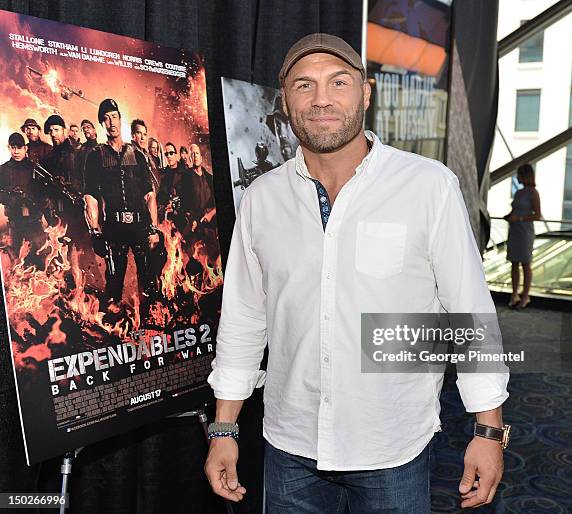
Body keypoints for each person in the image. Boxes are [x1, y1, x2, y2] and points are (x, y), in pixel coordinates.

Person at [204, 33, 510, 512]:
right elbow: (243, 318)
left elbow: (467, 311)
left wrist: (489, 430)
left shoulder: (428, 186)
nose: (321, 98)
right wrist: (224, 428)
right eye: (304, 86)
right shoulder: (262, 197)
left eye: (338, 82)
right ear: (285, 102)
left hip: (392, 445)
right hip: (290, 444)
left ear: (365, 92)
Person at [84, 99, 160, 305]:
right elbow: (90, 197)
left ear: (120, 119)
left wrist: (153, 228)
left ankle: (153, 324)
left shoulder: (137, 154)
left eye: (115, 116)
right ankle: (116, 331)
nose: (111, 122)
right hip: (114, 229)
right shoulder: (95, 156)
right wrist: (94, 231)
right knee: (114, 286)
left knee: (149, 283)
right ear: (102, 123)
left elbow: (149, 194)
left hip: (140, 226)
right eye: (106, 118)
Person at [0, 133, 44, 263]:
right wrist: (11, 198)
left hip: (35, 222)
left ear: (25, 148)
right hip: (15, 223)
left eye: (19, 147)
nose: (16, 151)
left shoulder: (35, 168)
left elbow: (44, 193)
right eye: (13, 147)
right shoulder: (3, 169)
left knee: (40, 260)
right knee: (16, 261)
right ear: (9, 148)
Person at [504, 164, 541, 309]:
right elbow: (514, 210)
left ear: (525, 175)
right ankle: (514, 294)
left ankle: (525, 296)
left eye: (519, 175)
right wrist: (510, 216)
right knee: (514, 262)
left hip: (525, 232)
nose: (517, 177)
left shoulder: (533, 193)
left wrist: (519, 219)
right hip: (514, 231)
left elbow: (537, 215)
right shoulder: (519, 192)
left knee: (525, 263)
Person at [130, 119, 161, 195]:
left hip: (153, 199)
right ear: (133, 135)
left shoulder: (147, 156)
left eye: (144, 134)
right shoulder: (130, 154)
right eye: (139, 133)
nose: (142, 138)